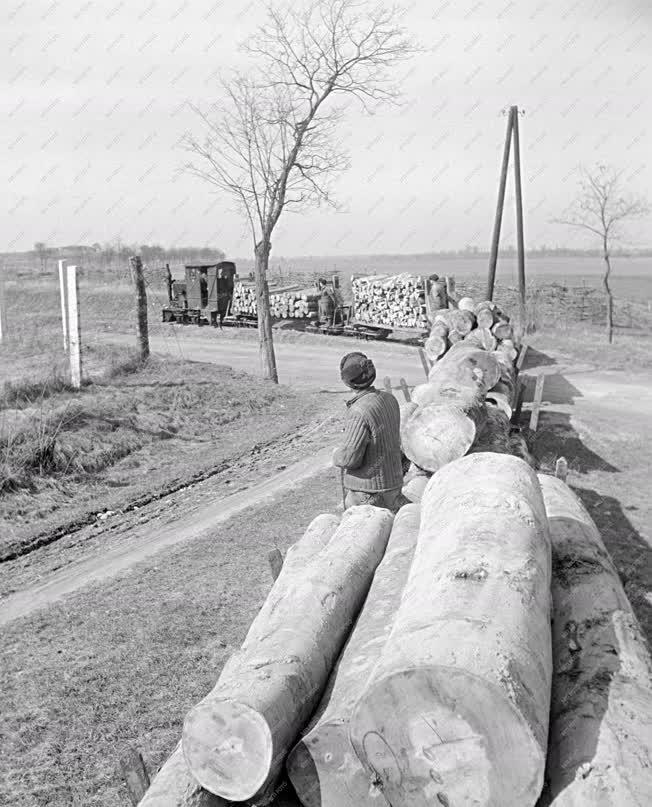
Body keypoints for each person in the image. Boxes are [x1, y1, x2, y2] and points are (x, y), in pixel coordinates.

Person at [332, 352, 406, 513]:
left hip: (368, 492)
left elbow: (350, 459)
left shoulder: (358, 411)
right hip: (393, 485)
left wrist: (337, 455)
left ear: (348, 382)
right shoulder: (389, 399)